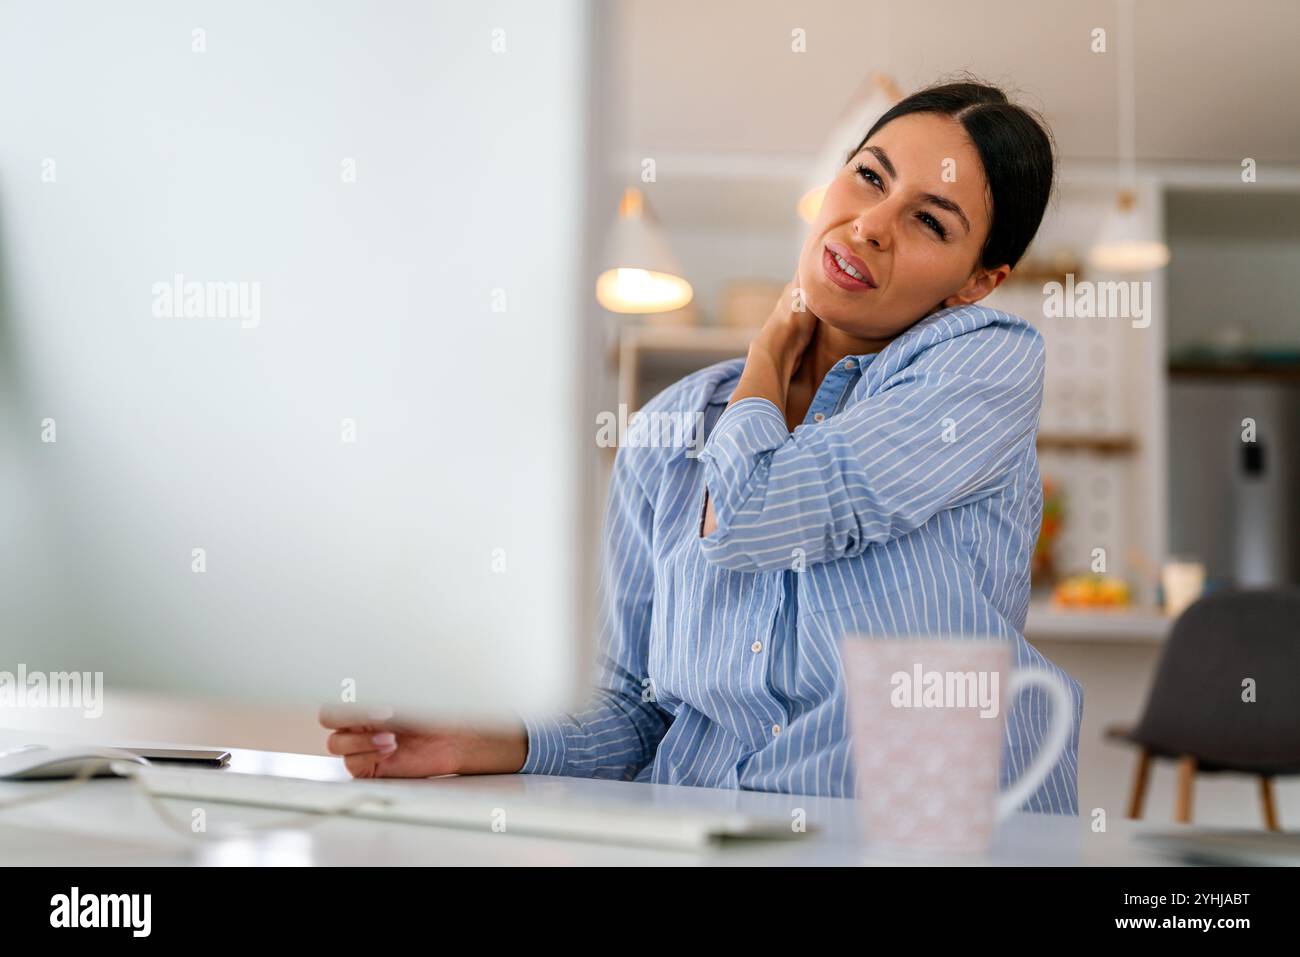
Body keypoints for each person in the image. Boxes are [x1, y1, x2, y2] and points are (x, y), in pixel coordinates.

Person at [321, 76, 1084, 814]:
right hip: (707, 833)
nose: (871, 224)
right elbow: (633, 708)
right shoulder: (668, 426)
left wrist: (770, 348)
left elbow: (756, 510)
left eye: (931, 221)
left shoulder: (983, 364)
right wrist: (480, 740)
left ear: (978, 281)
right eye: (868, 177)